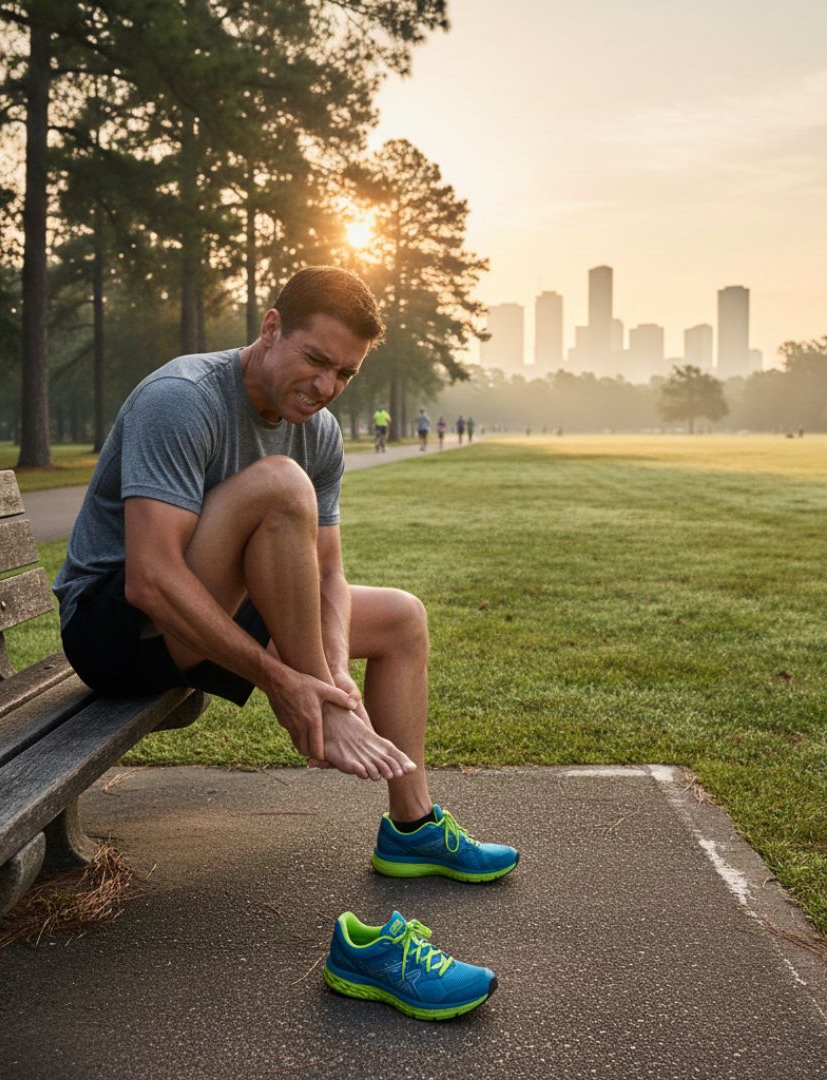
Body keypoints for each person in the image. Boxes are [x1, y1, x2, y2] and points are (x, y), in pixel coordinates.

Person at [53, 267, 517, 906]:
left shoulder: (319, 433)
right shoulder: (183, 397)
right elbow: (150, 579)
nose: (326, 387)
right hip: (116, 631)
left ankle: (412, 827)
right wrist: (287, 682)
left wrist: (332, 670)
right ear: (271, 329)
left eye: (345, 374)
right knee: (280, 482)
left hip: (209, 606)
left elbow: (328, 571)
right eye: (316, 360)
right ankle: (321, 706)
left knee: (403, 619)